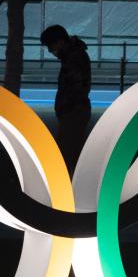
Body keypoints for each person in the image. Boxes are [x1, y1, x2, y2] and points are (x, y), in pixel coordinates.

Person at [40, 24, 92, 173]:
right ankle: (74, 186)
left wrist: (65, 108)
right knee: (72, 153)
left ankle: (67, 188)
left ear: (59, 42)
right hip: (75, 111)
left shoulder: (73, 58)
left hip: (74, 113)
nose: (51, 51)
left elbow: (75, 87)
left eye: (51, 46)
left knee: (67, 153)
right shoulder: (74, 55)